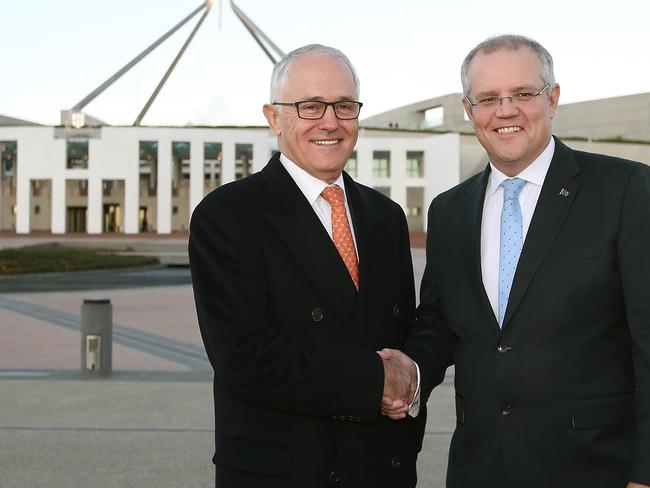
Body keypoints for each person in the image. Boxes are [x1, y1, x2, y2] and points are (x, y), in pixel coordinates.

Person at [380, 34, 650, 487]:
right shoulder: (449, 211)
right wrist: (411, 371)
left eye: (523, 94)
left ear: (553, 99)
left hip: (598, 469)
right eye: (488, 98)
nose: (505, 111)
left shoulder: (625, 190)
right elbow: (439, 323)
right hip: (481, 468)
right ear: (470, 110)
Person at [189, 44, 425, 488]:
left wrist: (412, 380)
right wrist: (377, 379)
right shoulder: (228, 215)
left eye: (344, 105)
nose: (330, 122)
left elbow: (400, 337)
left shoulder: (385, 216)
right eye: (310, 106)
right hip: (284, 472)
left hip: (379, 469)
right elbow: (245, 358)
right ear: (274, 117)